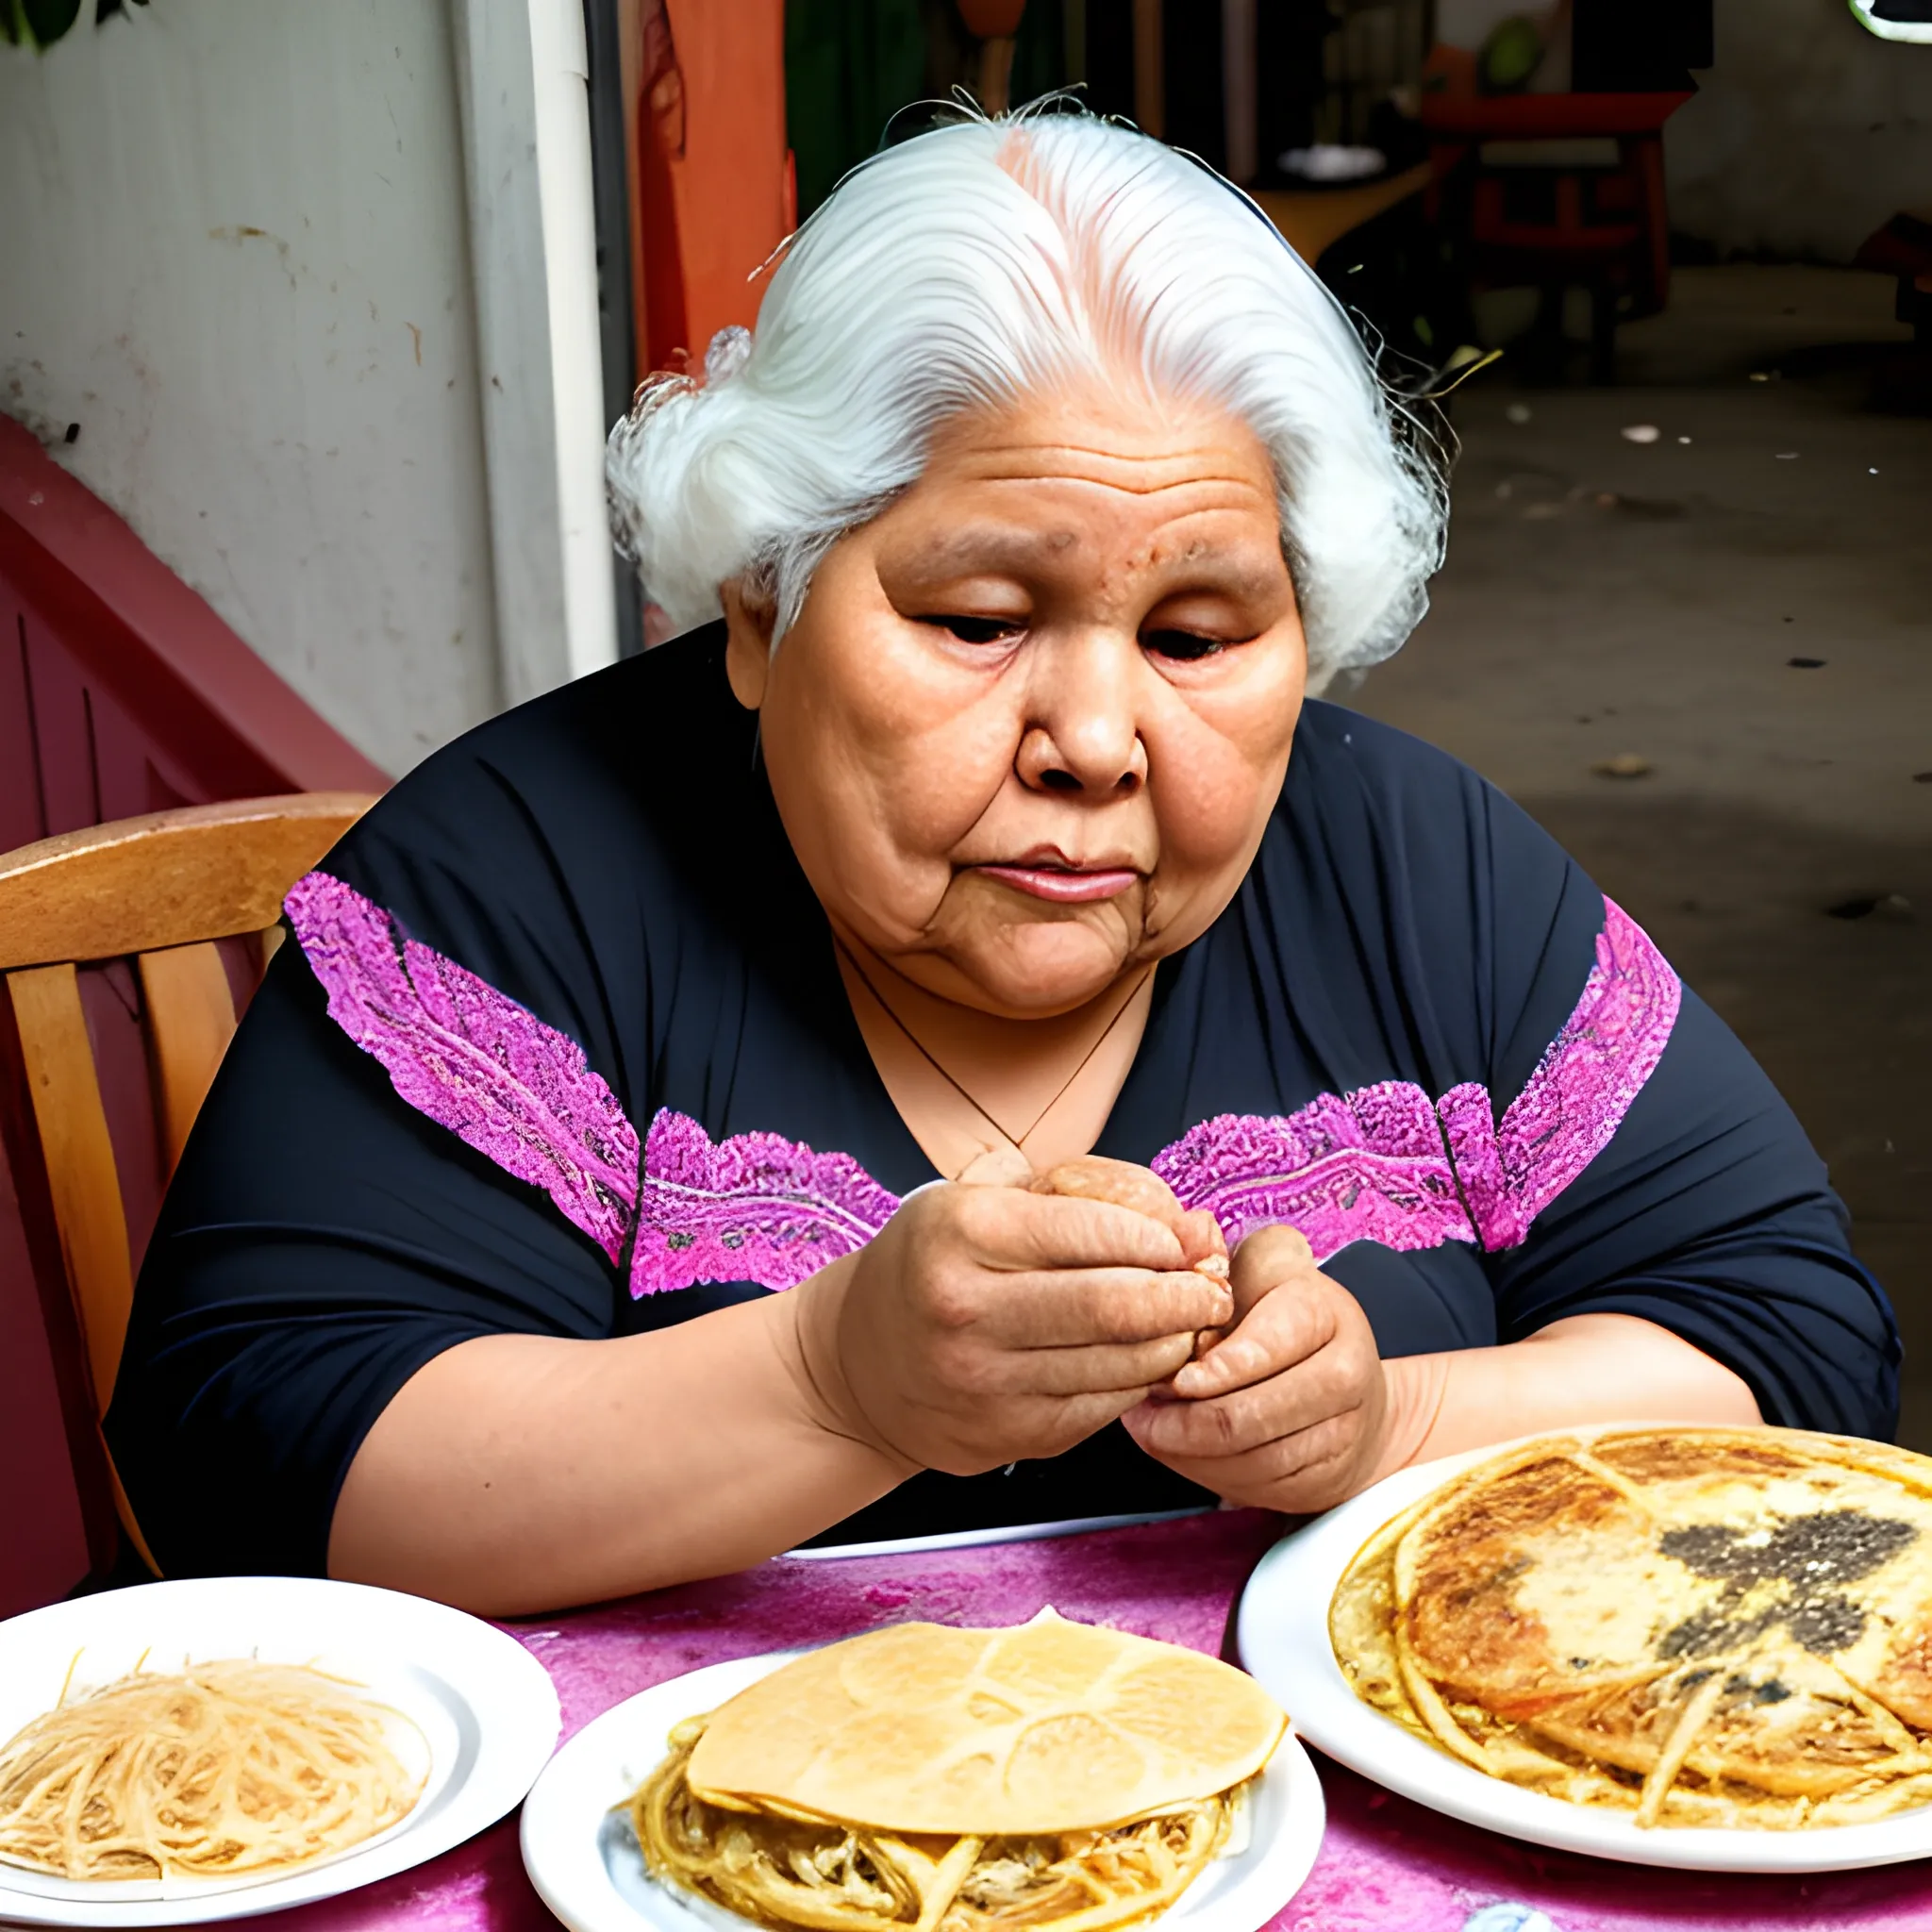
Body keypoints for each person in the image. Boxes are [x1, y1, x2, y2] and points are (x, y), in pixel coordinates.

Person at [106, 110, 1897, 1616]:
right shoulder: (519, 875)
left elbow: (1795, 1344)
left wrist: (1385, 1427)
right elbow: (245, 1458)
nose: (1099, 737)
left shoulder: (1412, 860)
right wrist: (832, 1382)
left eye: (1199, 635)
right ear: (762, 602)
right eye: (976, 615)